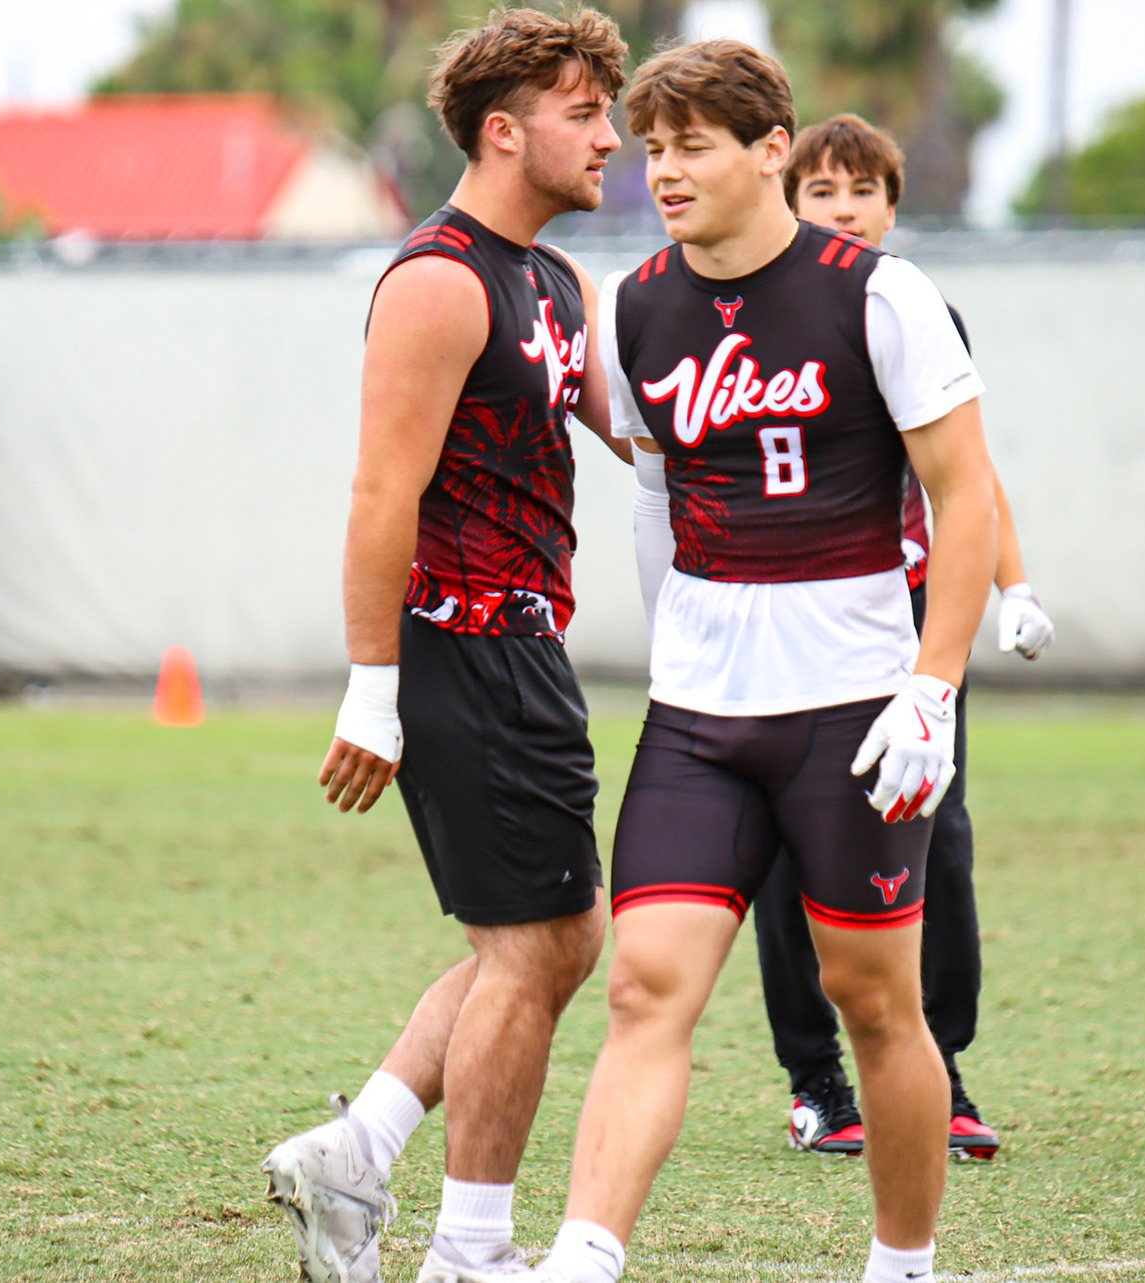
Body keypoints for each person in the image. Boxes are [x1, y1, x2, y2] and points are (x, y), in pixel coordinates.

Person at [529, 39, 998, 1283]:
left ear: (771, 149)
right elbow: (653, 494)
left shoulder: (879, 294)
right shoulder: (635, 305)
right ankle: (583, 1255)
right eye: (654, 148)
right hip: (697, 719)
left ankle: (904, 1261)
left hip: (851, 708)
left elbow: (967, 495)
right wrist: (671, 646)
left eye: (693, 146)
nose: (664, 172)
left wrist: (933, 685)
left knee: (875, 1001)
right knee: (645, 988)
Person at [260, 10, 630, 1283]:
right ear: (504, 131)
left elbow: (646, 435)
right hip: (459, 650)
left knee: (555, 939)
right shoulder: (438, 280)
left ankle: (355, 1151)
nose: (612, 137)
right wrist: (373, 691)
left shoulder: (556, 280)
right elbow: (382, 496)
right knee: (533, 950)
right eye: (586, 113)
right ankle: (471, 1251)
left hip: (527, 650)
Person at [746, 113, 1056, 1165]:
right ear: (789, 199)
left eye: (862, 191)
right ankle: (816, 1079)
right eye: (821, 191)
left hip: (912, 611)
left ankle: (941, 1067)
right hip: (791, 612)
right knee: (789, 840)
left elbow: (967, 472)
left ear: (892, 204)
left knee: (938, 831)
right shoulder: (750, 309)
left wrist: (1013, 584)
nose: (843, 210)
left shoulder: (923, 310)